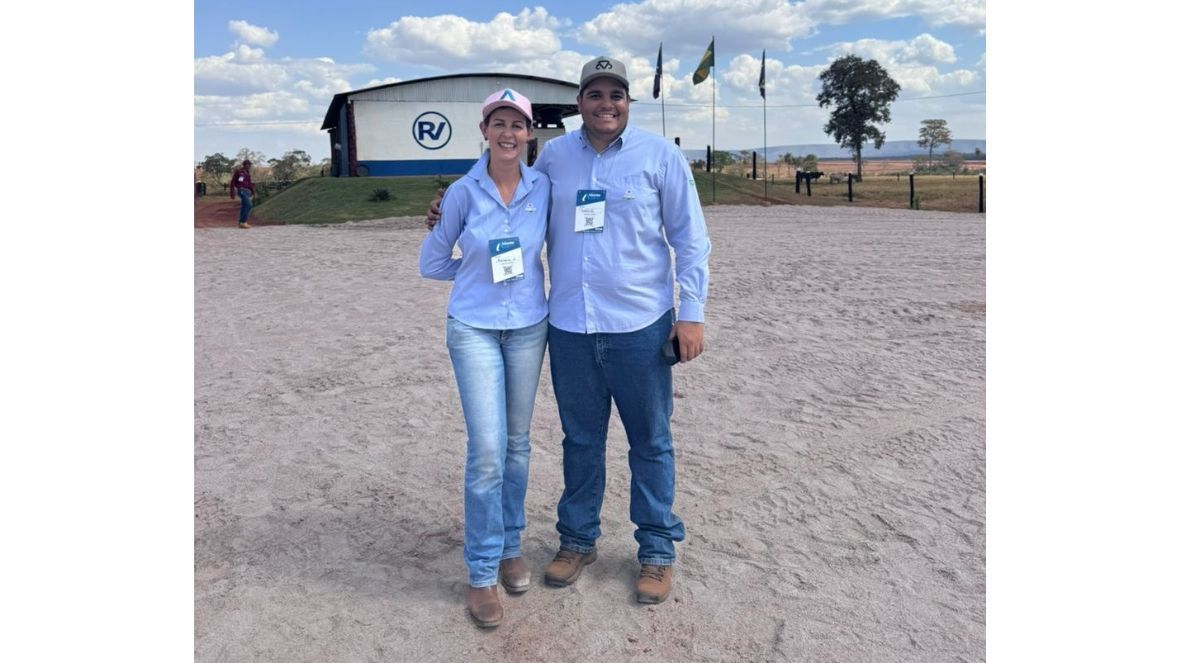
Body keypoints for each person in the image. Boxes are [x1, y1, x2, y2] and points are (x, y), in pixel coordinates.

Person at [428, 56, 711, 605]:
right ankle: (577, 540)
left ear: (629, 102)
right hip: (569, 327)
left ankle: (655, 550)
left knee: (650, 441)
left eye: (617, 95)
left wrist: (691, 311)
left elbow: (690, 237)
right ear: (579, 103)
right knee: (580, 441)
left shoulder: (661, 157)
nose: (607, 104)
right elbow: (500, 175)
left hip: (639, 325)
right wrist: (451, 204)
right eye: (595, 94)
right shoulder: (554, 158)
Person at [418, 89, 551, 629]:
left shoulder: (545, 187)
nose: (508, 133)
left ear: (529, 134)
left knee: (518, 445)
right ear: (485, 130)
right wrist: (473, 277)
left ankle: (509, 546)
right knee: (489, 449)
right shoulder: (461, 192)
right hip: (473, 328)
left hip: (527, 328)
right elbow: (432, 262)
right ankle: (480, 573)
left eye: (517, 125)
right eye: (499, 123)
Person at [229, 159, 255, 229]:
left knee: (244, 206)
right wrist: (232, 193)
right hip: (241, 190)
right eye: (247, 165)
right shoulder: (239, 172)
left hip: (247, 191)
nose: (248, 166)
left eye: (249, 165)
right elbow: (233, 182)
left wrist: (253, 192)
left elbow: (250, 184)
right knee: (249, 205)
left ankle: (241, 223)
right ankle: (243, 222)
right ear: (244, 165)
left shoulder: (247, 173)